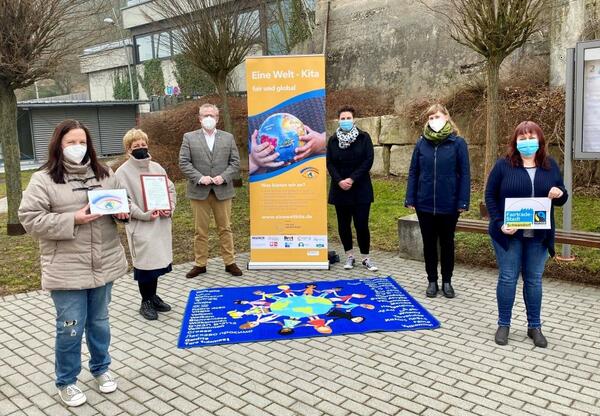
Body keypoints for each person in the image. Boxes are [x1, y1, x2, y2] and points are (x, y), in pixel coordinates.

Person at [18, 119, 128, 407]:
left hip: (103, 262)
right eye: (71, 143)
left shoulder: (105, 174)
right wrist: (72, 219)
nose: (77, 148)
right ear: (59, 145)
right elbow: (30, 219)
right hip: (66, 269)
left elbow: (120, 203)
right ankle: (66, 380)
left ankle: (101, 368)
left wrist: (123, 213)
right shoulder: (43, 179)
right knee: (70, 327)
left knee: (100, 323)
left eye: (82, 142)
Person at [485, 121, 568, 348]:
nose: (527, 142)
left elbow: (562, 196)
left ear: (539, 140)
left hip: (538, 236)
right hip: (509, 235)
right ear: (516, 142)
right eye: (522, 138)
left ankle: (535, 326)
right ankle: (504, 324)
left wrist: (558, 193)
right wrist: (500, 223)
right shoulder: (503, 166)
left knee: (533, 281)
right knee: (508, 278)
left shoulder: (550, 166)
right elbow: (490, 196)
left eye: (531, 137)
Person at [405, 104, 470, 298]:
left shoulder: (458, 143)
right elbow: (414, 171)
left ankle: (447, 281)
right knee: (429, 244)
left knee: (447, 243)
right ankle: (432, 280)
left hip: (449, 204)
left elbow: (464, 173)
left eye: (437, 116)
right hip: (424, 203)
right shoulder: (421, 143)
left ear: (447, 118)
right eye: (431, 117)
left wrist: (463, 201)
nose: (434, 120)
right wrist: (410, 197)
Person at [115, 128, 176, 320]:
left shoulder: (157, 168)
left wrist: (169, 208)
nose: (140, 148)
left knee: (157, 264)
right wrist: (143, 214)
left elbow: (170, 189)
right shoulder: (122, 172)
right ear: (128, 149)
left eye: (143, 145)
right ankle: (145, 301)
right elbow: (124, 200)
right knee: (145, 267)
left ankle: (154, 296)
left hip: (160, 223)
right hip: (141, 225)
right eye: (136, 146)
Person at [179, 103, 243, 278]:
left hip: (223, 191)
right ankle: (200, 264)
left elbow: (235, 162)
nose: (209, 118)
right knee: (200, 230)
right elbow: (184, 162)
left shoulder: (227, 138)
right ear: (199, 118)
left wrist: (224, 177)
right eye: (205, 115)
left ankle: (229, 262)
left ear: (217, 118)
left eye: (212, 115)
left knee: (226, 228)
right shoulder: (189, 137)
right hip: (199, 191)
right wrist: (200, 177)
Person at [326, 106, 378, 272]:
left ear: (354, 120)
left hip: (360, 187)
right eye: (343, 118)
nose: (346, 121)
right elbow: (330, 163)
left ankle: (365, 258)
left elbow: (368, 160)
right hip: (340, 188)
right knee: (343, 224)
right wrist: (340, 180)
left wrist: (352, 178)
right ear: (338, 120)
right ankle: (349, 256)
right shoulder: (333, 140)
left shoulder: (364, 137)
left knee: (361, 224)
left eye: (349, 118)